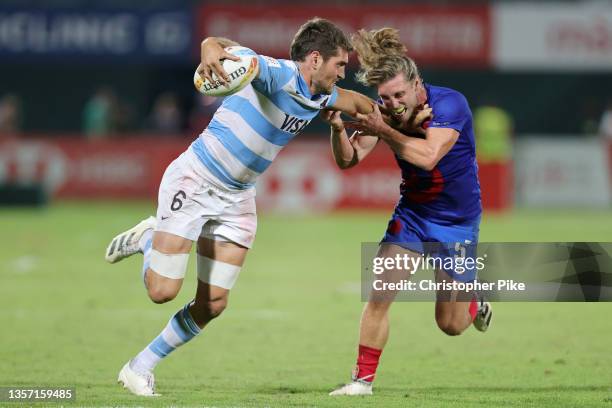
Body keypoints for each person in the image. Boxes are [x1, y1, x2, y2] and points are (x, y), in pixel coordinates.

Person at [104, 18, 412, 397]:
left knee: (213, 303)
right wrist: (209, 48)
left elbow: (359, 102)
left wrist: (384, 113)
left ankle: (140, 366)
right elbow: (220, 46)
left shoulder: (322, 94)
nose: (342, 73)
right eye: (340, 65)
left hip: (238, 199)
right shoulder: (273, 73)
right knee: (162, 291)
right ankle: (149, 237)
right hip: (196, 180)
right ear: (315, 59)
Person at [325, 28, 492, 396]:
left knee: (449, 325)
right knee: (380, 293)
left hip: (457, 222)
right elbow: (349, 161)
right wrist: (338, 131)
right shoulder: (382, 111)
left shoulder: (450, 105)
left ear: (418, 84)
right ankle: (361, 382)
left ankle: (474, 301)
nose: (394, 103)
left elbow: (429, 157)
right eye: (386, 97)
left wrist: (384, 129)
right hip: (413, 216)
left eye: (400, 94)